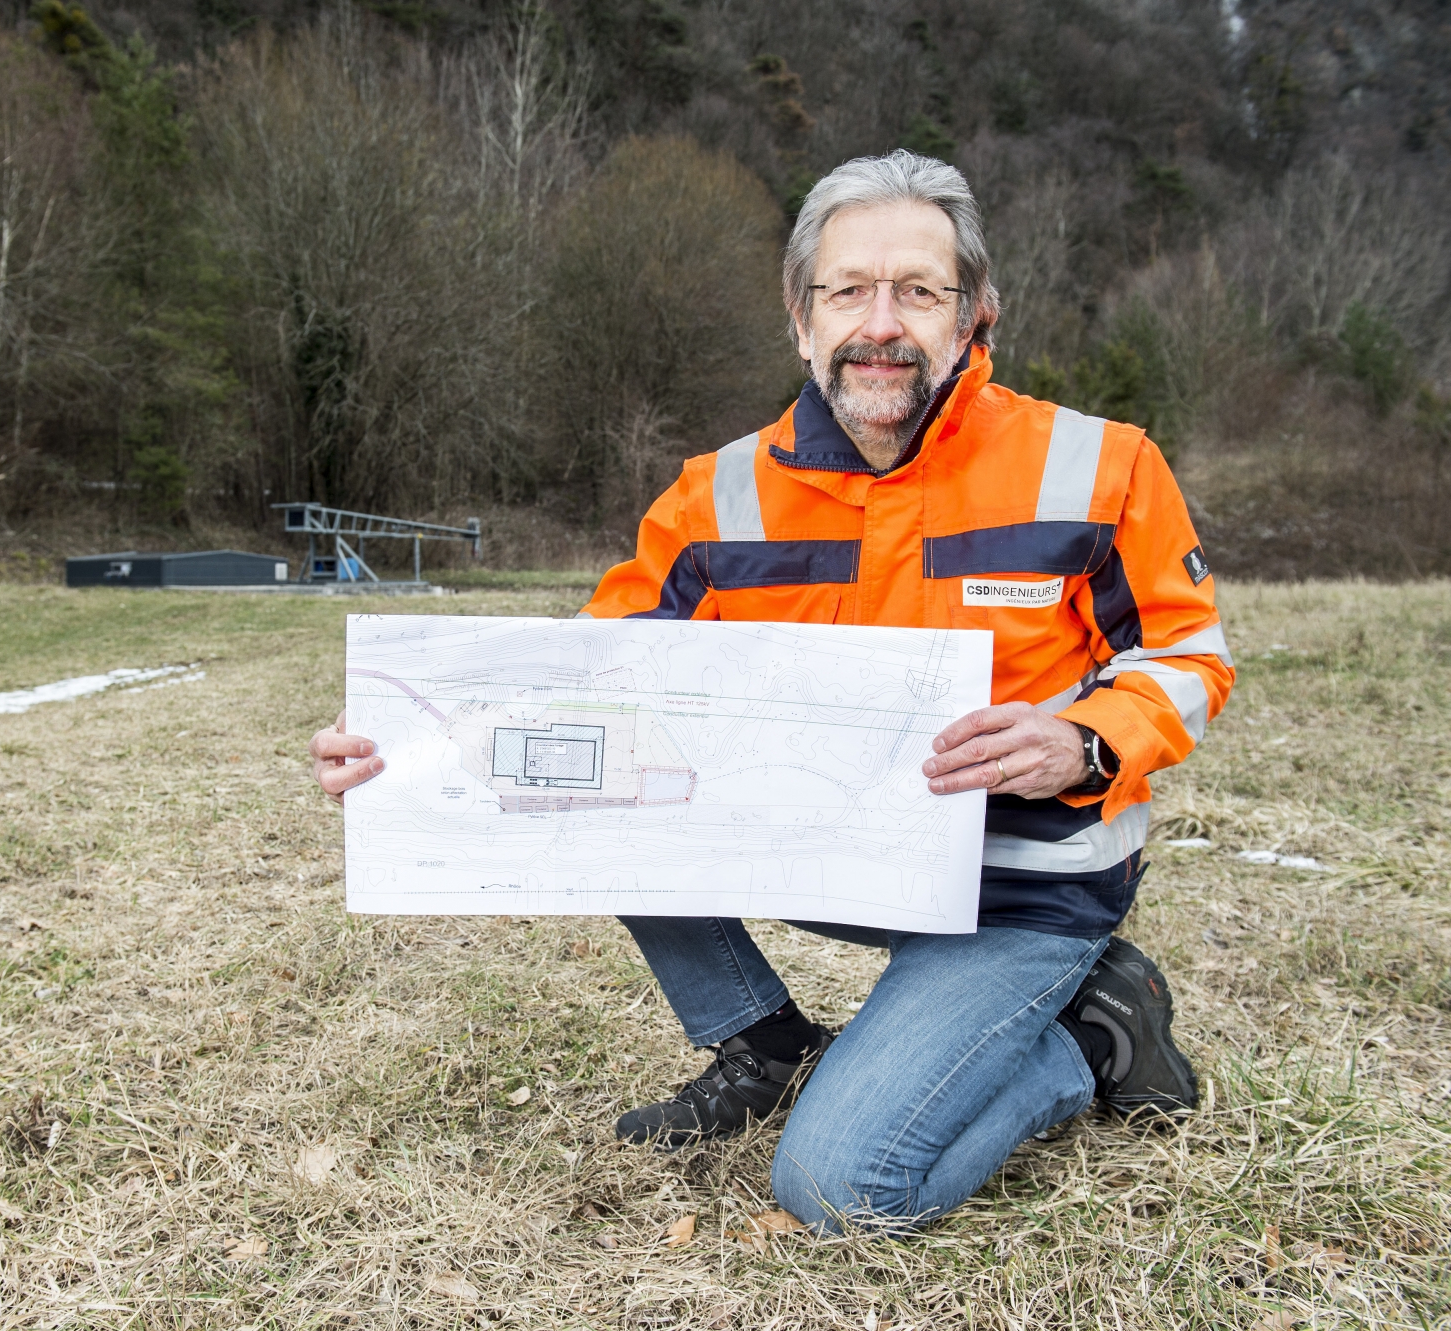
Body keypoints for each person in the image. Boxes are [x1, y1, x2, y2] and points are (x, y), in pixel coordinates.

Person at [309, 151, 1233, 1234]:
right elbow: (578, 682)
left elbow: (1186, 654)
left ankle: (1091, 1035)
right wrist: (404, 745)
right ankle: (767, 1042)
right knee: (611, 784)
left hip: (1016, 891)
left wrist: (1080, 737)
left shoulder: (1098, 464)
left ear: (975, 312)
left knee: (839, 1187)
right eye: (846, 290)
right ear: (800, 317)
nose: (878, 323)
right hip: (822, 852)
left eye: (917, 291)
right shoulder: (719, 493)